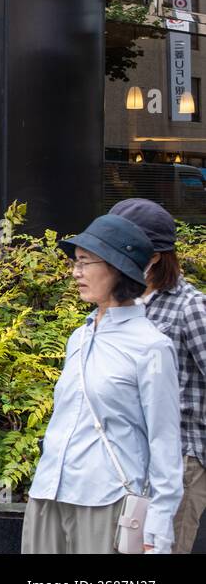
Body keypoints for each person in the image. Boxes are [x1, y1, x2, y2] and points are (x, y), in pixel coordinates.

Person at [22, 214, 182, 553]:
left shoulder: (151, 346)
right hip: (48, 494)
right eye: (74, 262)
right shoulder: (78, 337)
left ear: (117, 268)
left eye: (84, 262)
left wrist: (156, 531)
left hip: (106, 501)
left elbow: (165, 443)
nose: (75, 272)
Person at [109, 198, 206, 554]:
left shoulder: (190, 306)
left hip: (181, 460)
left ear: (153, 256)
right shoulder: (124, 303)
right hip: (131, 457)